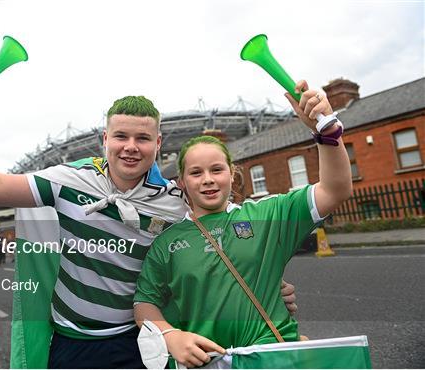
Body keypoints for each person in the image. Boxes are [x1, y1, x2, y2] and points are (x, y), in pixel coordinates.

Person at [0, 94, 298, 368]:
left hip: (147, 339)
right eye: (121, 136)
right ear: (105, 140)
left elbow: (224, 237)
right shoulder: (69, 181)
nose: (131, 147)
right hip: (74, 343)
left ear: (158, 144)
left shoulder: (175, 200)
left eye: (143, 138)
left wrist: (264, 290)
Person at [133, 80, 353, 368]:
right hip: (204, 363)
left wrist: (326, 131)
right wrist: (170, 335)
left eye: (216, 169)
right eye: (196, 173)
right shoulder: (166, 242)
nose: (208, 179)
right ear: (182, 183)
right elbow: (144, 303)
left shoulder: (266, 216)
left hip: (273, 358)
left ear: (232, 173)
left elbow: (335, 190)